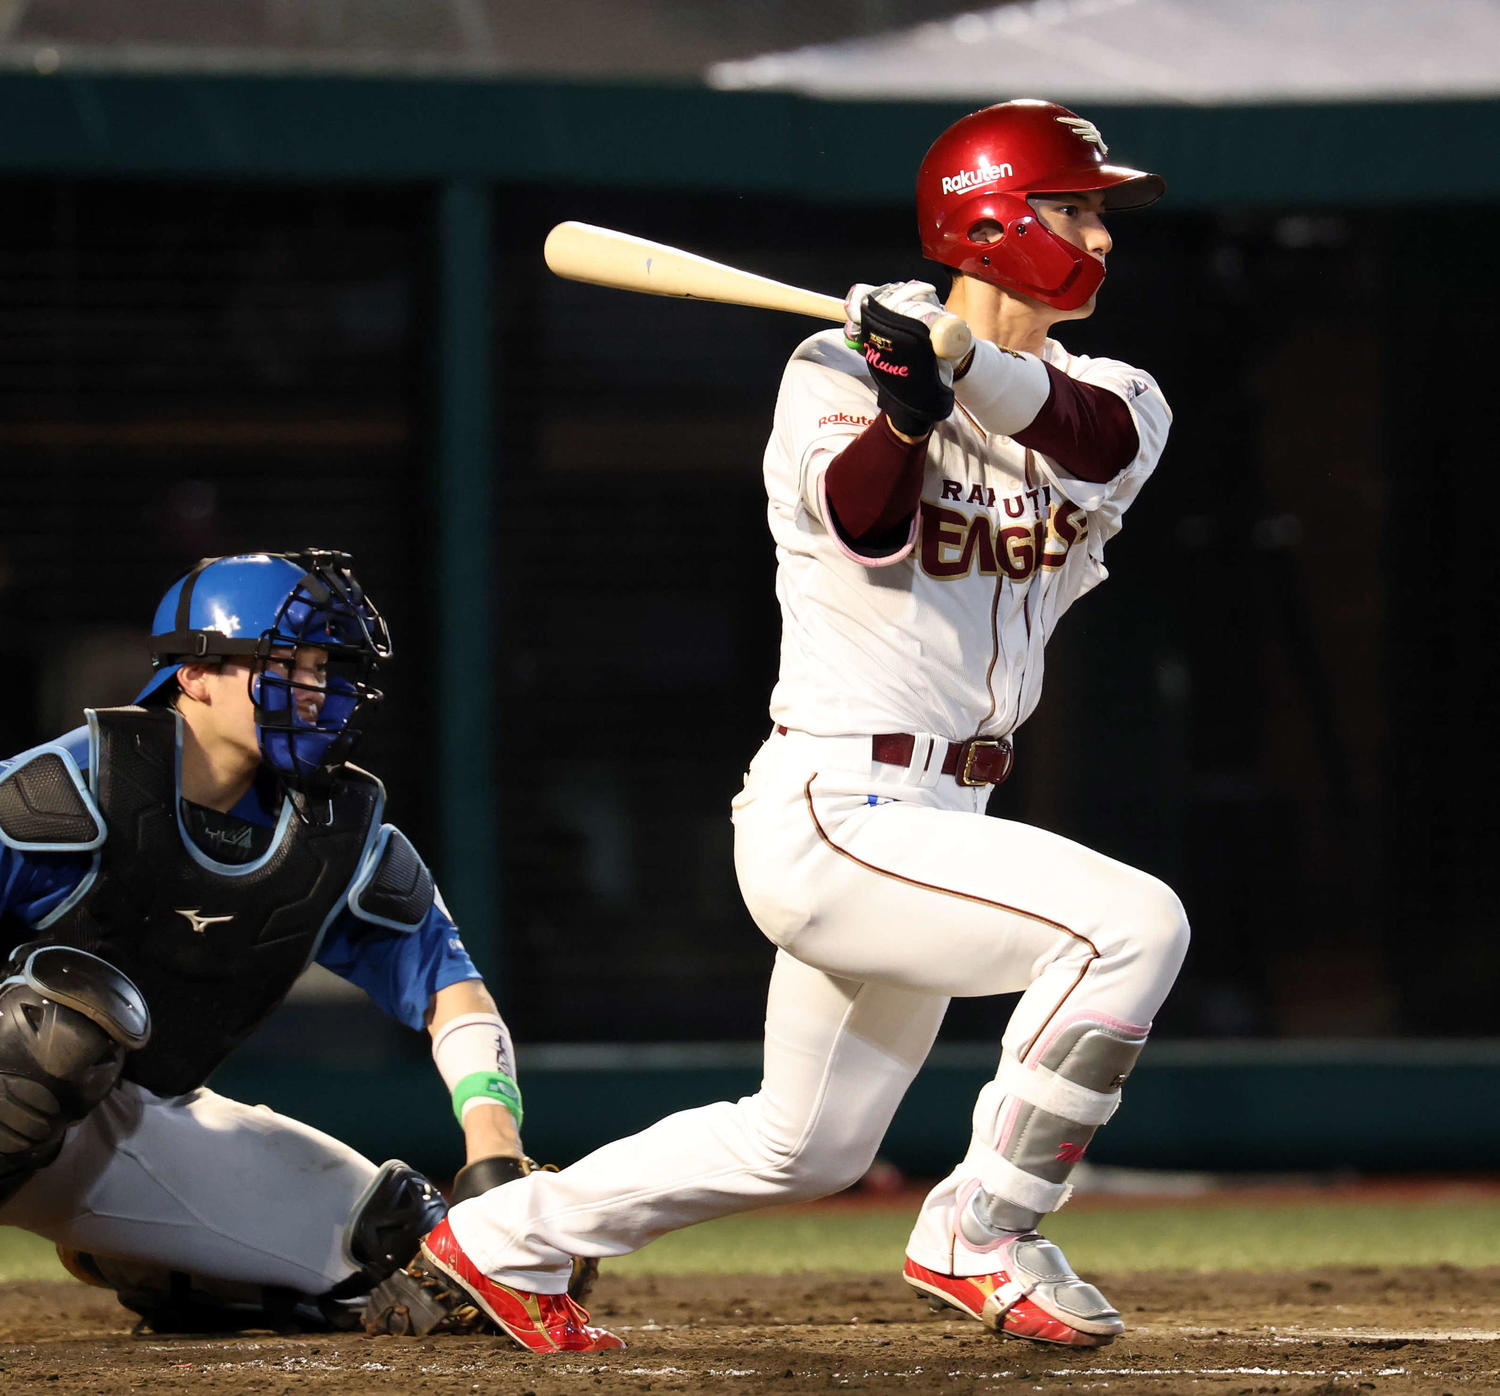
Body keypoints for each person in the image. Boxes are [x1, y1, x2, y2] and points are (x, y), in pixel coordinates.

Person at [406, 98, 1189, 1354]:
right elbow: (864, 520)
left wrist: (955, 362)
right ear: (991, 221)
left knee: (806, 1143)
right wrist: (904, 407)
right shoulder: (833, 366)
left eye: (1100, 212)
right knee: (1134, 924)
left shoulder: (1120, 393)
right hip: (839, 805)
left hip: (949, 815)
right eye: (1074, 208)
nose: (1101, 235)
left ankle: (503, 1237)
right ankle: (984, 1228)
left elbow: (1084, 439)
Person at [0, 549, 534, 1333]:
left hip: (121, 1129)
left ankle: (160, 1259)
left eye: (323, 668)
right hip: (21, 1080)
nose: (314, 689)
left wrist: (496, 1156)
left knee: (415, 1254)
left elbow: (452, 990)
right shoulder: (66, 791)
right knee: (53, 1031)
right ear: (194, 674)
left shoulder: (334, 832)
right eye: (287, 664)